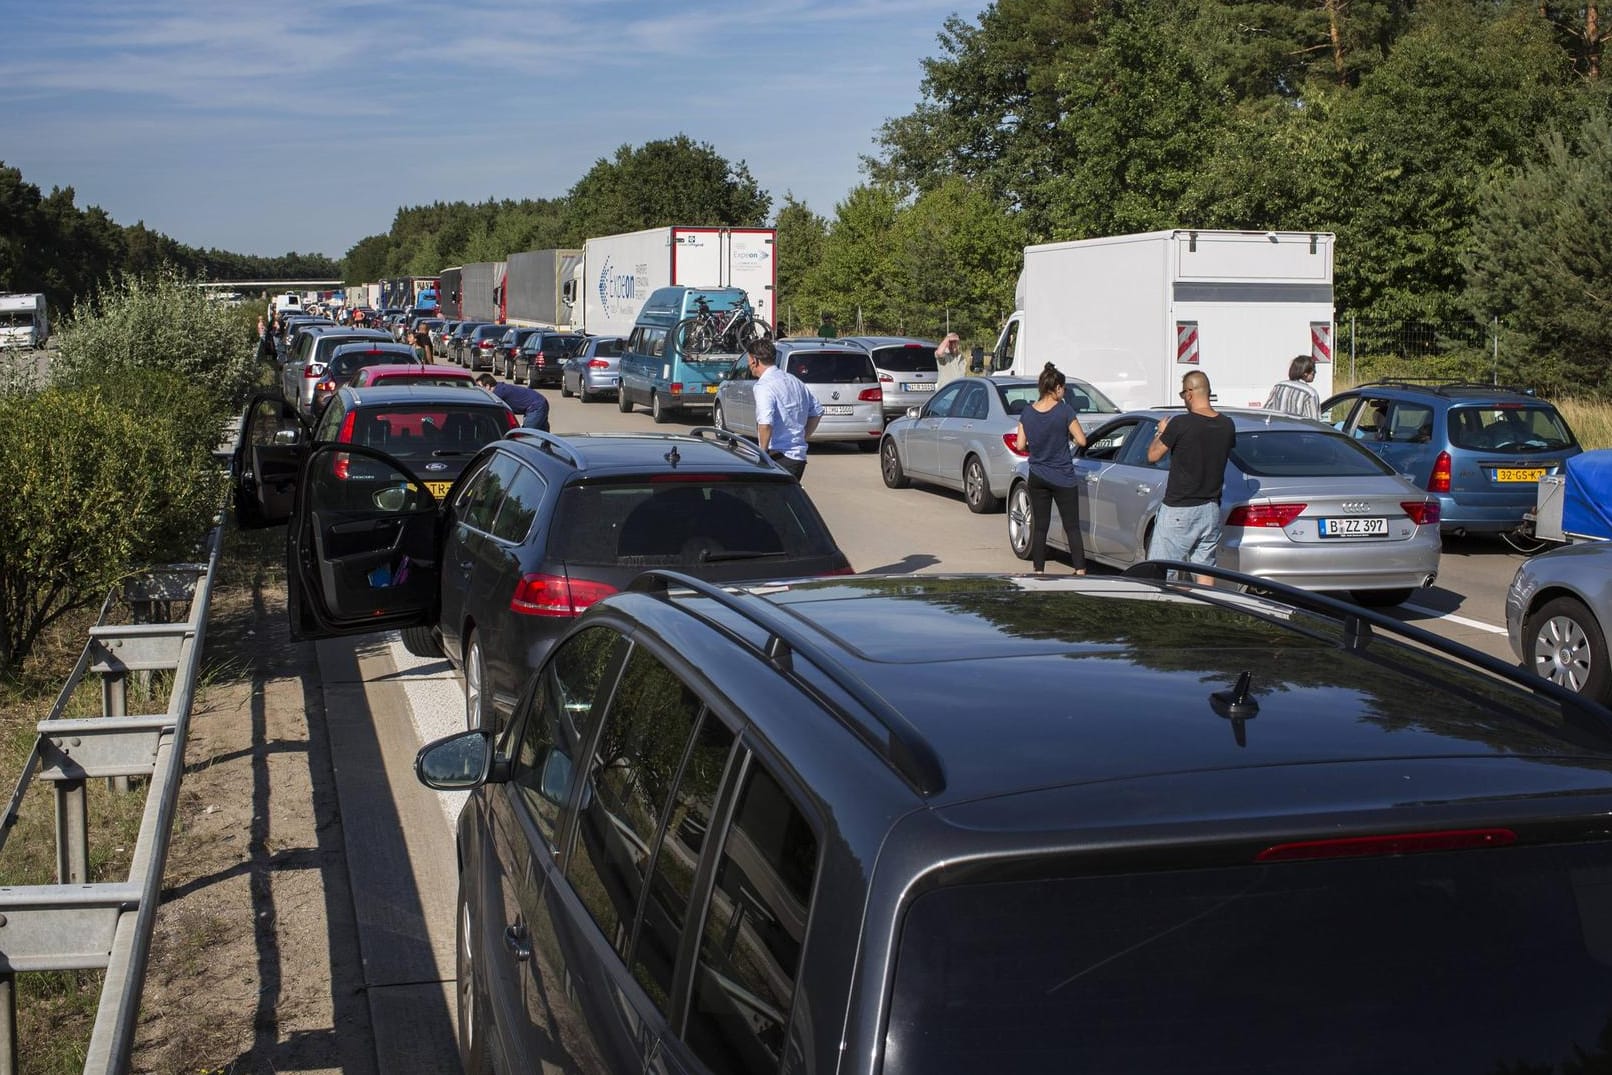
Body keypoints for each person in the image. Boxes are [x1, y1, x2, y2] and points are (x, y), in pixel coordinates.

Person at [1147, 370, 1236, 586]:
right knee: (1205, 568)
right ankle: (1206, 609)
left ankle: (1159, 613)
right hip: (1211, 508)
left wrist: (1161, 432)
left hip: (1179, 508)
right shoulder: (1227, 424)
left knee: (1159, 571)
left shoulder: (1180, 424)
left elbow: (1153, 455)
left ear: (1189, 393)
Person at [1015, 363, 1089, 574]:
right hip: (1063, 476)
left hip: (1037, 475)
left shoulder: (1027, 413)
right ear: (1057, 388)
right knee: (1072, 526)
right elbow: (1082, 440)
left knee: (1040, 526)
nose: (1064, 392)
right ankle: (1080, 570)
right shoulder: (1065, 410)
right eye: (1063, 388)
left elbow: (1020, 445)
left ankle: (1039, 571)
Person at [748, 338, 822, 480]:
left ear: (754, 361)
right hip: (798, 458)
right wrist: (800, 438)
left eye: (748, 360)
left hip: (777, 458)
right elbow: (817, 412)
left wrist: (762, 456)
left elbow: (765, 424)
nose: (748, 365)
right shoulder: (794, 380)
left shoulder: (763, 386)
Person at [476, 373, 549, 432]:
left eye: (479, 386)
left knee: (527, 435)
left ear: (488, 386)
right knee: (543, 435)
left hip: (535, 406)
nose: (478, 389)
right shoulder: (499, 387)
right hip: (540, 402)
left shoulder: (498, 393)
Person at [1263, 354, 1320, 419]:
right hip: (1296, 429)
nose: (1315, 372)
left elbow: (1266, 410)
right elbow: (1314, 422)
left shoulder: (1279, 386)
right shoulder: (1310, 393)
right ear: (1305, 373)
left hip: (1277, 428)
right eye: (1314, 370)